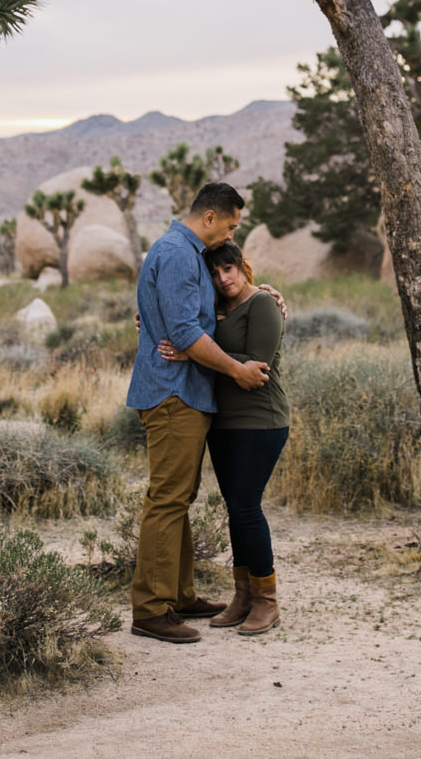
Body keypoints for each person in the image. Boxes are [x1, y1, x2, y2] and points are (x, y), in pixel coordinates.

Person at [124, 181, 267, 644]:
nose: (230, 235)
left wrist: (262, 294)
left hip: (183, 393)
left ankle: (179, 596)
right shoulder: (180, 254)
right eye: (230, 225)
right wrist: (237, 370)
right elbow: (184, 331)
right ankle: (151, 609)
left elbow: (199, 317)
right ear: (210, 218)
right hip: (173, 395)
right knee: (167, 499)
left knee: (178, 499)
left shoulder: (182, 253)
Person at [161, 239, 288, 634]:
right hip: (224, 423)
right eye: (214, 274)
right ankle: (243, 596)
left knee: (247, 507)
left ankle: (267, 600)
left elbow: (255, 369)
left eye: (228, 269)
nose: (222, 279)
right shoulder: (217, 310)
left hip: (261, 420)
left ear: (242, 266)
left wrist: (194, 353)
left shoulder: (263, 304)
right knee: (236, 510)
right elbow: (186, 326)